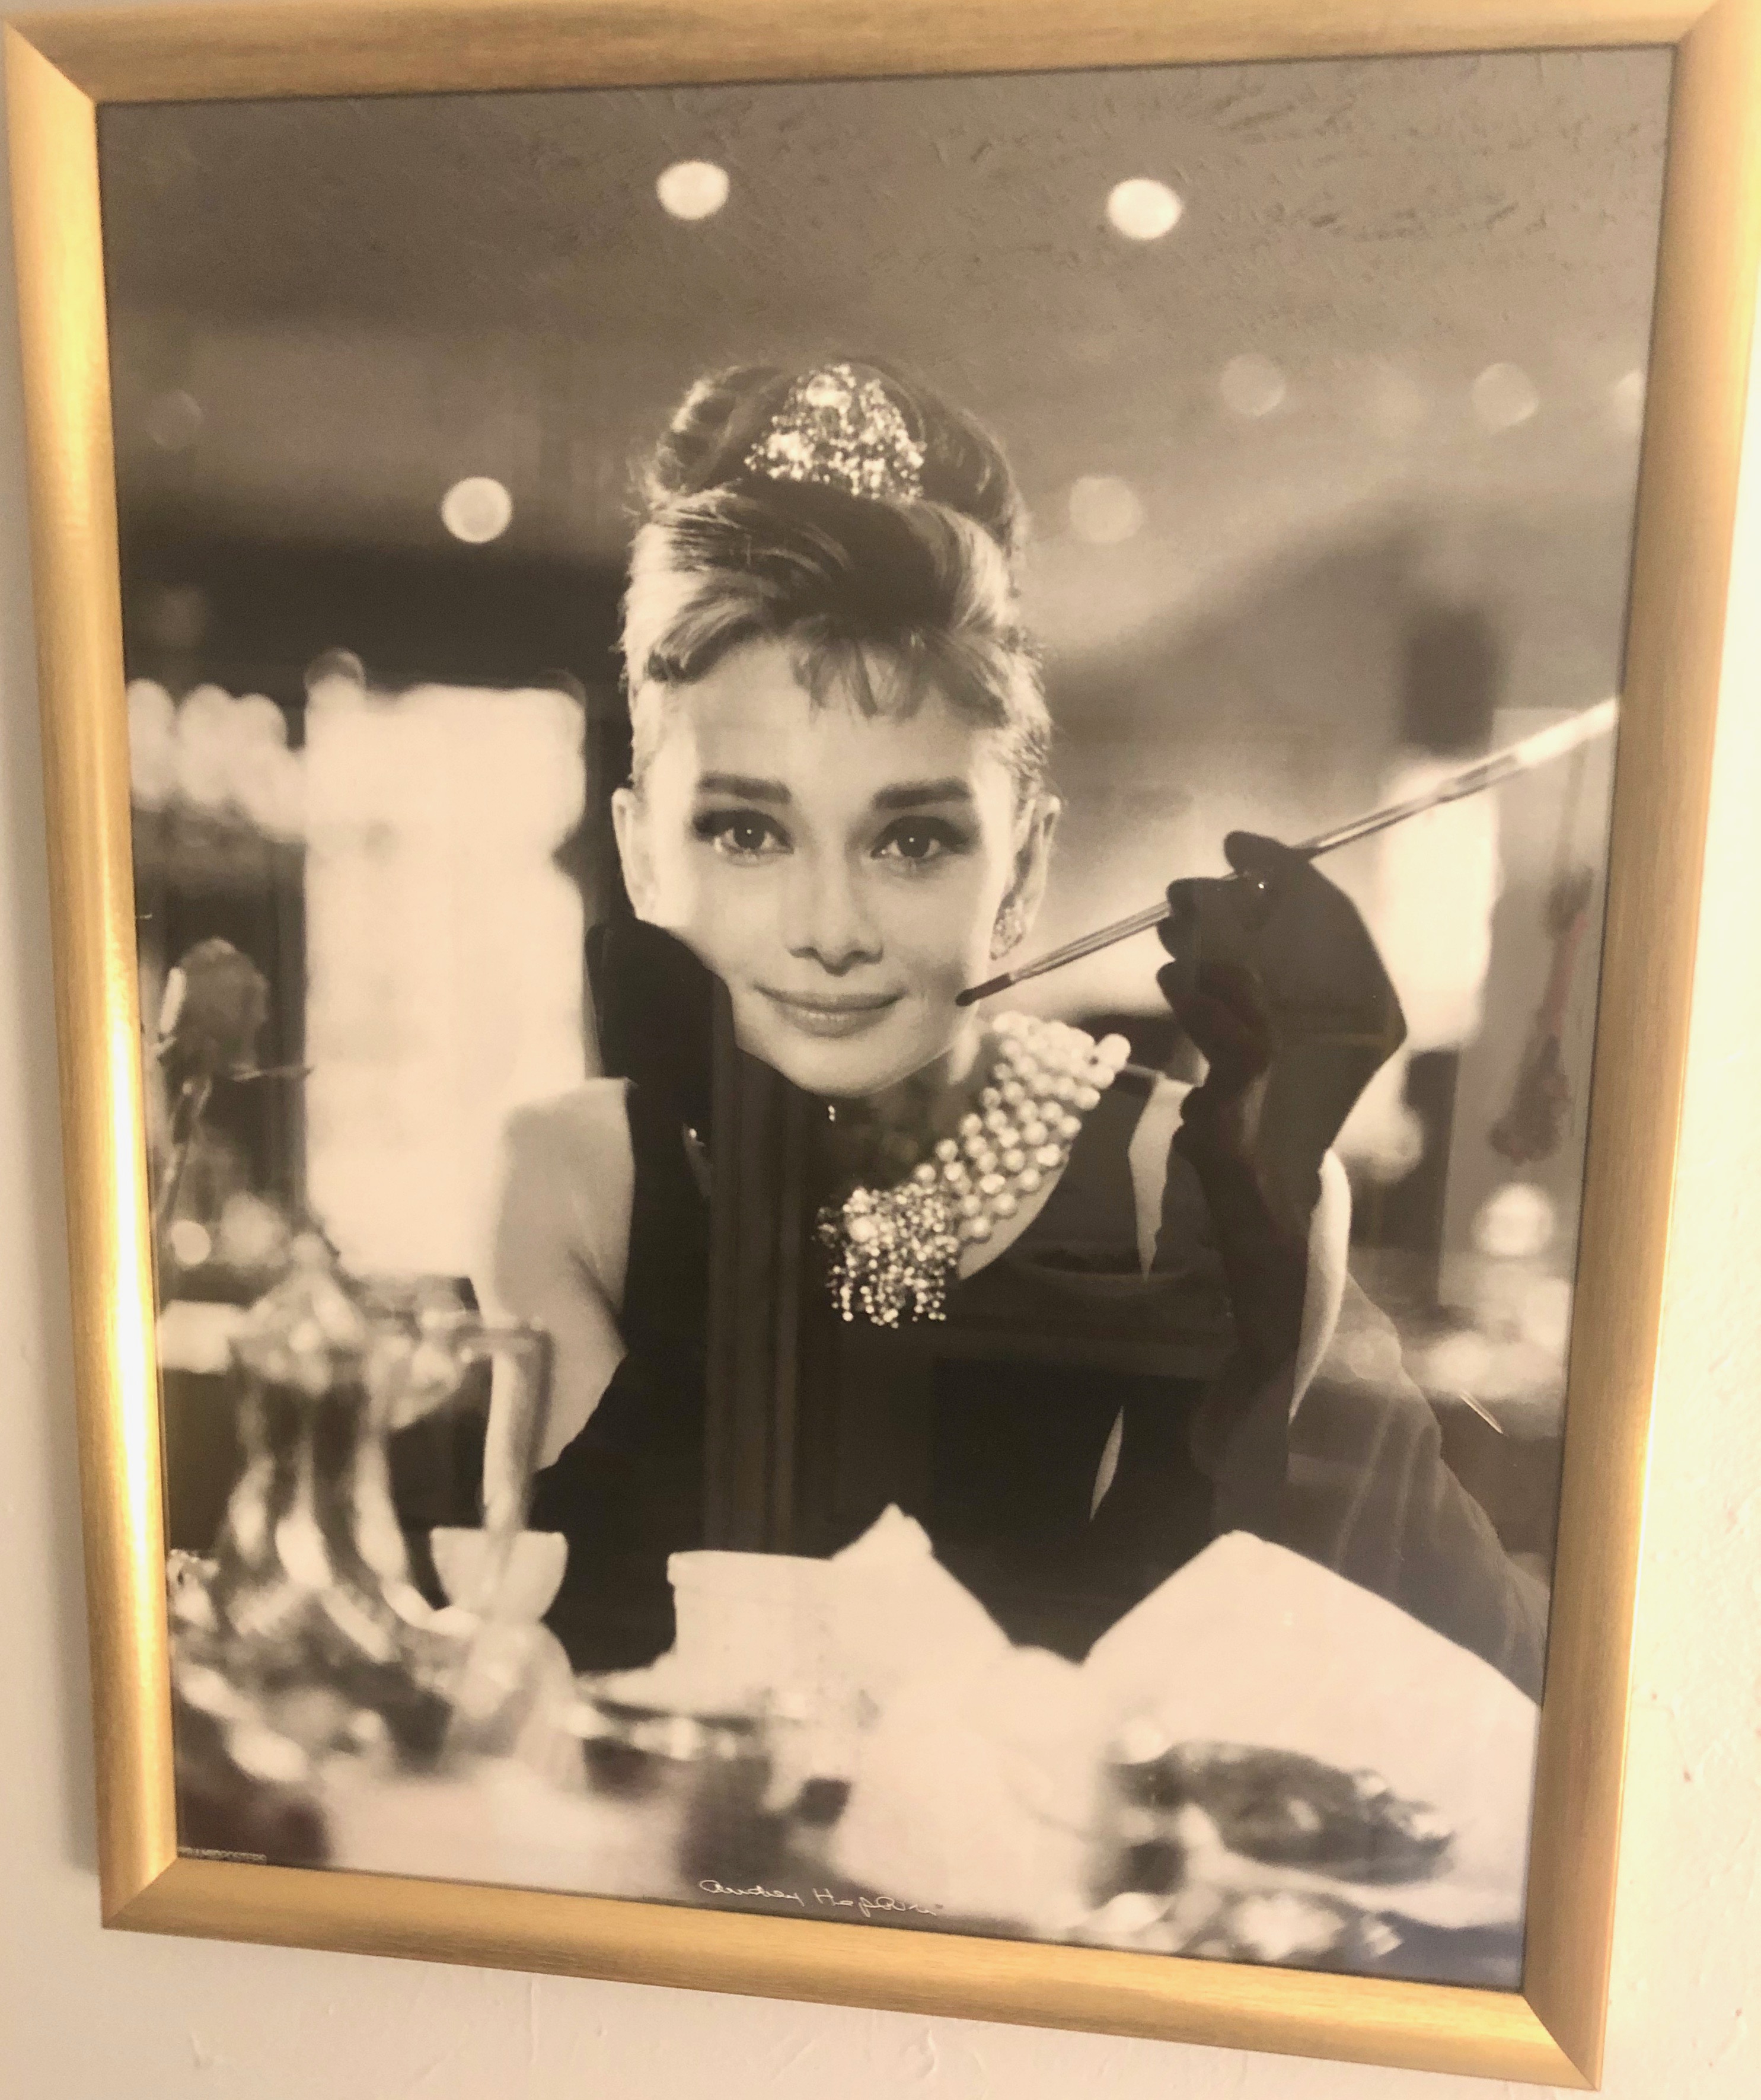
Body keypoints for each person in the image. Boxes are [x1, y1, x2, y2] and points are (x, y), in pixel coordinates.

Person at [489, 359, 1548, 1697]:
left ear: (1025, 870)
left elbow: (1181, 1689)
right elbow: (574, 1646)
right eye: (746, 831)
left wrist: (1246, 1281)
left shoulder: (1195, 1182)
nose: (829, 928)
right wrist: (741, 1165)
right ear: (643, 853)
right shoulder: (572, 1173)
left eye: (913, 839)